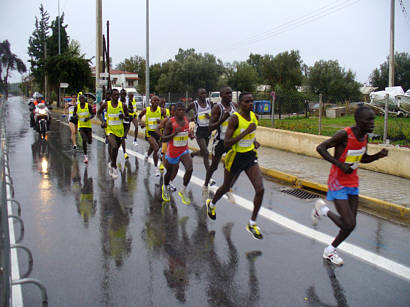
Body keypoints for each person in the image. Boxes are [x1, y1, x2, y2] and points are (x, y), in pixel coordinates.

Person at [313, 106, 388, 265]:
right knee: (349, 223)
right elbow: (321, 148)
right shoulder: (344, 135)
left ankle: (330, 250)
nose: (372, 122)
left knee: (350, 225)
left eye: (373, 119)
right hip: (337, 181)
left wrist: (378, 156)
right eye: (368, 119)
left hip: (353, 182)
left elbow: (363, 158)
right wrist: (340, 165)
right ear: (358, 121)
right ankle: (323, 210)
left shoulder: (365, 137)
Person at [206, 92, 264, 240]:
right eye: (247, 101)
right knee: (226, 187)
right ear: (240, 103)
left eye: (252, 101)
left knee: (260, 189)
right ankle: (211, 204)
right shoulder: (234, 119)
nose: (250, 104)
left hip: (250, 156)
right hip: (235, 157)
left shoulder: (254, 117)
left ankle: (252, 223)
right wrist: (246, 133)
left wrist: (253, 141)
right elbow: (227, 143)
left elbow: (251, 134)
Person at [203, 86, 237, 198]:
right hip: (219, 142)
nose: (230, 95)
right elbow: (210, 127)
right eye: (227, 93)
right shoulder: (218, 108)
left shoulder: (234, 107)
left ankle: (227, 188)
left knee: (232, 166)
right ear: (221, 95)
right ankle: (206, 185)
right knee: (214, 166)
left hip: (231, 142)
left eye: (231, 93)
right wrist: (223, 118)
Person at [161, 102, 194, 204]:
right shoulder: (170, 122)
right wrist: (174, 133)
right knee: (169, 173)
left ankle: (183, 191)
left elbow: (187, 133)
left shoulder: (186, 120)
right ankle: (165, 187)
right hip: (172, 152)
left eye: (183, 110)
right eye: (179, 110)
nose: (181, 112)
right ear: (174, 112)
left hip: (184, 150)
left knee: (189, 168)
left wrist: (190, 135)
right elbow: (163, 138)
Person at [97, 89, 130, 179]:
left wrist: (124, 117)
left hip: (119, 130)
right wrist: (103, 121)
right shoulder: (106, 104)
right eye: (115, 95)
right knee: (114, 146)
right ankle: (114, 167)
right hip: (109, 129)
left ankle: (111, 164)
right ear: (111, 96)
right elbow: (98, 113)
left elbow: (128, 118)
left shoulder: (123, 105)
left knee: (115, 150)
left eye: (118, 95)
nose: (117, 96)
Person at [186, 88, 212, 178]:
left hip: (208, 130)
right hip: (199, 131)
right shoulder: (194, 104)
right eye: (201, 93)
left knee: (204, 151)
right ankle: (209, 175)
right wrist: (188, 120)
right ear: (198, 95)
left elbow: (215, 114)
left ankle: (193, 154)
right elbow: (185, 111)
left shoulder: (209, 103)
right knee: (206, 153)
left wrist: (210, 117)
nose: (204, 95)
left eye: (205, 93)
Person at [138, 95, 167, 176]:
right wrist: (141, 122)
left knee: (154, 148)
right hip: (149, 133)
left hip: (158, 133)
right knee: (156, 148)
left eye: (158, 101)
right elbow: (139, 117)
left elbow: (167, 119)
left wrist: (161, 121)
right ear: (151, 101)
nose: (156, 102)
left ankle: (147, 155)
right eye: (154, 100)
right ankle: (156, 168)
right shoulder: (146, 110)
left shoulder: (161, 110)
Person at [156, 103, 178, 192]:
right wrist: (163, 137)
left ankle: (169, 183)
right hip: (166, 145)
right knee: (169, 167)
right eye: (172, 110)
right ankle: (166, 184)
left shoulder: (180, 121)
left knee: (176, 167)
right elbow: (157, 129)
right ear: (170, 111)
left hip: (176, 145)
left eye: (175, 110)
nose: (174, 112)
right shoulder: (167, 120)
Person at [73, 95, 95, 163]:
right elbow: (74, 115)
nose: (82, 100)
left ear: (85, 99)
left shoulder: (88, 106)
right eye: (80, 99)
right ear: (79, 100)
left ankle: (89, 140)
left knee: (89, 141)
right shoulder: (77, 107)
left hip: (88, 126)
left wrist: (88, 118)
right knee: (84, 139)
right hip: (81, 126)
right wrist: (75, 116)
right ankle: (85, 156)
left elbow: (93, 114)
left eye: (83, 98)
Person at [119, 89, 130, 160]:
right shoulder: (118, 102)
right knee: (122, 138)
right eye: (122, 94)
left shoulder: (128, 101)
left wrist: (129, 113)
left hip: (127, 121)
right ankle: (124, 152)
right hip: (119, 122)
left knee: (122, 137)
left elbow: (132, 109)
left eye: (124, 94)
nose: (123, 95)